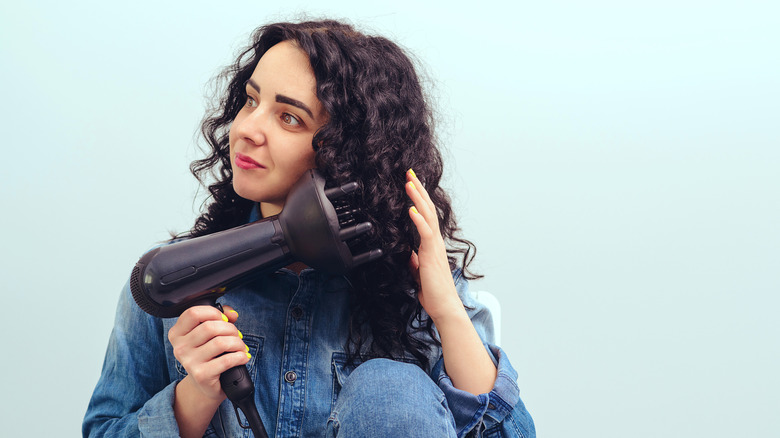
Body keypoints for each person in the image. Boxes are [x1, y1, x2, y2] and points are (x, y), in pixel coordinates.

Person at [83, 19, 535, 438]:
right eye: (251, 100)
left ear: (346, 154)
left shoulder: (413, 285)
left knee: (389, 388)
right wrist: (195, 396)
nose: (248, 130)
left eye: (289, 118)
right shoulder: (175, 282)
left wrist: (447, 311)